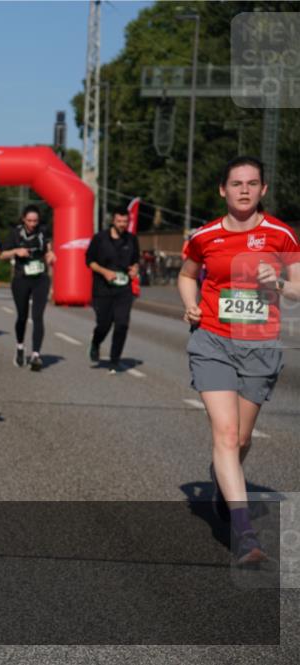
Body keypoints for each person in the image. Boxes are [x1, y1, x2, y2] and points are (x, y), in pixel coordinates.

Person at [179, 156, 299, 565]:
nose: (244, 190)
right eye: (236, 183)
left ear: (263, 190)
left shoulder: (281, 234)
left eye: (252, 183)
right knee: (226, 436)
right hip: (212, 339)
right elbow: (186, 274)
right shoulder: (205, 236)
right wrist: (190, 305)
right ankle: (245, 535)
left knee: (241, 440)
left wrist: (280, 282)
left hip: (260, 344)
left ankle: (221, 484)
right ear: (222, 190)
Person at [0, 205, 55, 371]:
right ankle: (20, 346)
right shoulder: (15, 233)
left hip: (40, 278)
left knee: (38, 316)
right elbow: (2, 255)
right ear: (23, 219)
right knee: (22, 316)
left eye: (35, 221)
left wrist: (51, 256)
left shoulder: (43, 231)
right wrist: (16, 251)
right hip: (21, 278)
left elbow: (48, 250)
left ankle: (36, 355)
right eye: (29, 220)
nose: (32, 224)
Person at [86, 208, 140, 373]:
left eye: (125, 222)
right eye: (119, 221)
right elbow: (89, 261)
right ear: (113, 221)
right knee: (104, 324)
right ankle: (96, 342)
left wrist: (135, 269)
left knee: (122, 324)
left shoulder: (131, 239)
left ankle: (114, 359)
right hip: (102, 288)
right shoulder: (100, 238)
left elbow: (136, 261)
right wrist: (105, 272)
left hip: (123, 288)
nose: (122, 225)